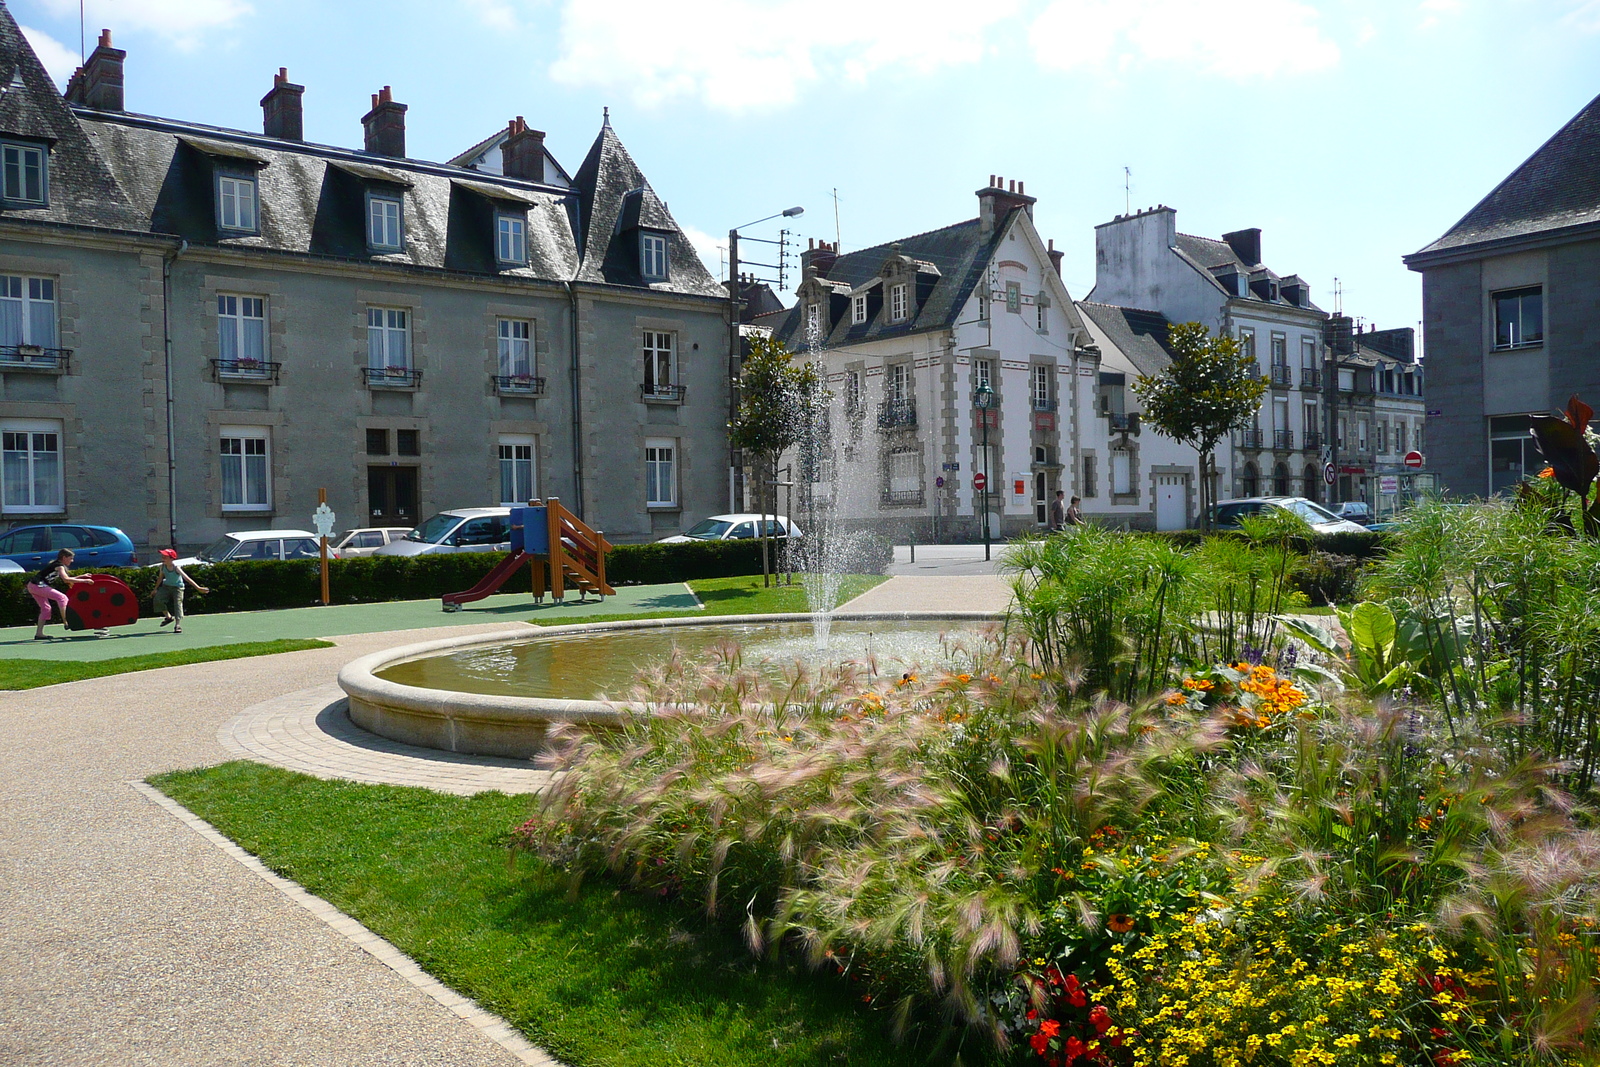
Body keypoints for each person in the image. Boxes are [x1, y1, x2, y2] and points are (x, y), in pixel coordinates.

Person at [27, 548, 95, 640]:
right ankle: (66, 622)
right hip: (38, 586)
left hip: (32, 586)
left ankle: (39, 634)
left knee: (46, 608)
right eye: (70, 558)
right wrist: (85, 581)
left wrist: (82, 577)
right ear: (64, 557)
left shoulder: (57, 565)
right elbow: (66, 579)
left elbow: (67, 578)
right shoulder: (59, 566)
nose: (72, 561)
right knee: (62, 598)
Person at [153, 548, 208, 634]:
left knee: (178, 604)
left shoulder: (176, 568)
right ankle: (168, 617)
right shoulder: (162, 567)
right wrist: (155, 589)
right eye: (162, 556)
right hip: (166, 586)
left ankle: (177, 625)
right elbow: (160, 578)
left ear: (171, 558)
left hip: (178, 588)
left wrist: (198, 588)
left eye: (165, 557)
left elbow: (187, 578)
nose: (162, 558)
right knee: (157, 599)